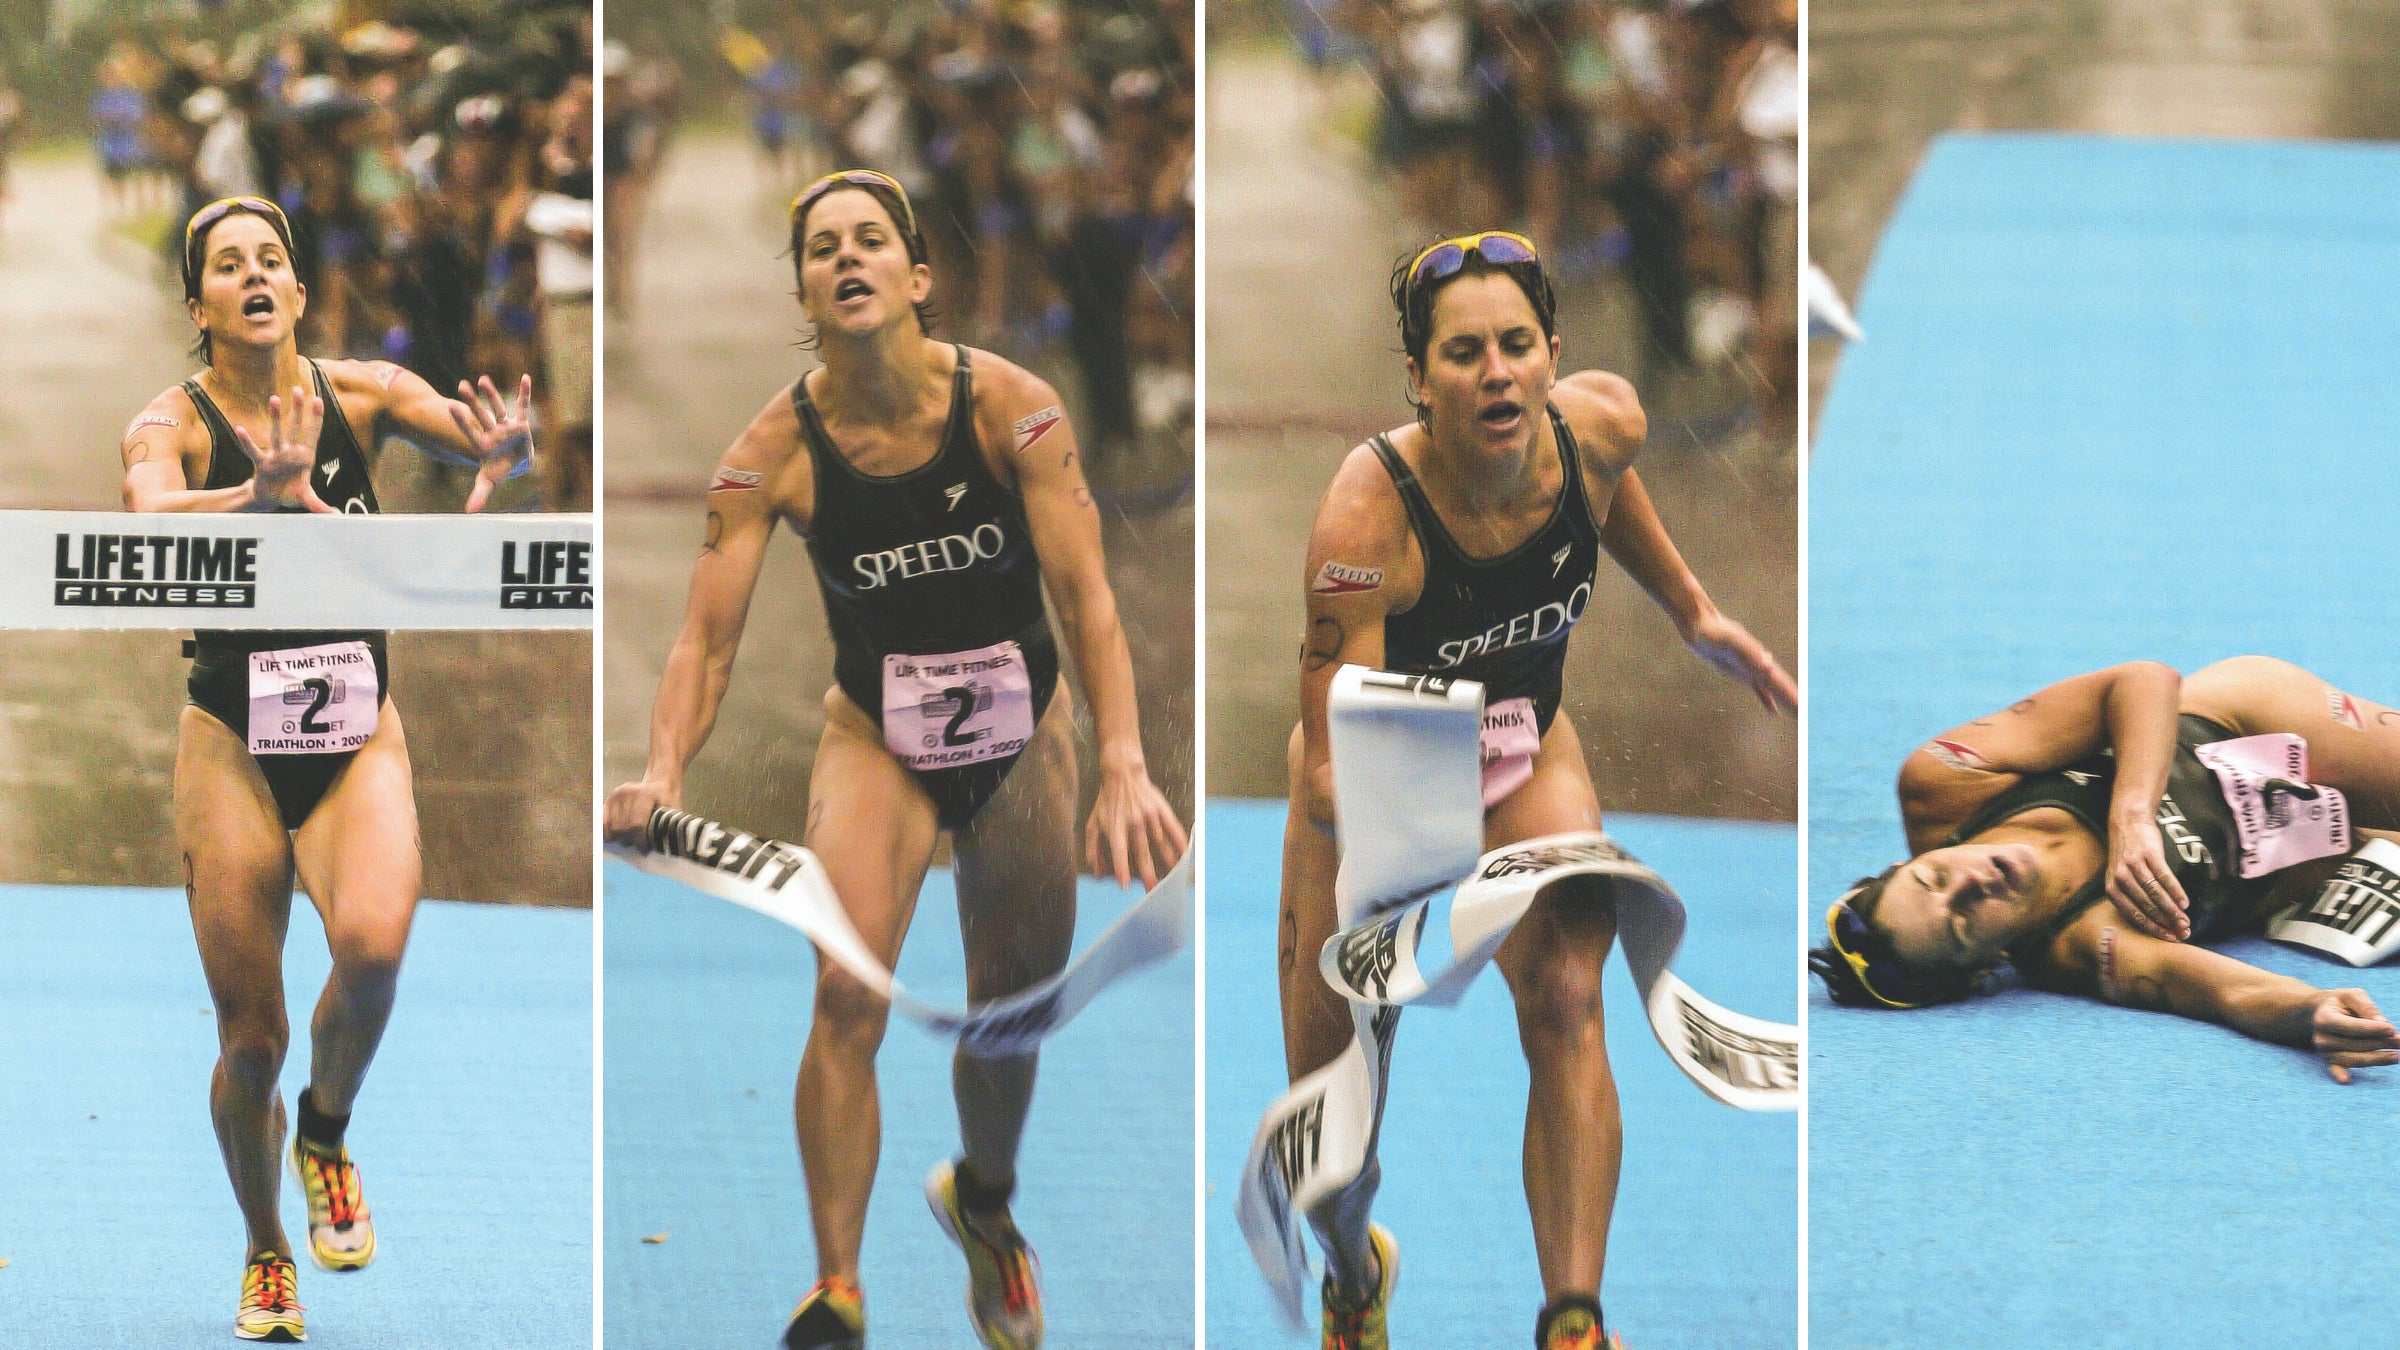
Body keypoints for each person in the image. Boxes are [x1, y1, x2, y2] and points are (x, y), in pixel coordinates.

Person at [601, 169, 1187, 1350]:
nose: (848, 258)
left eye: (872, 240)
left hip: (1024, 738)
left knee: (1005, 1018)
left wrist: (1124, 758)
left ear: (920, 277)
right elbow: (706, 640)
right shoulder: (771, 451)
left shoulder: (1011, 407)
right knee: (846, 988)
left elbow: (1087, 596)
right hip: (877, 741)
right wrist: (662, 770)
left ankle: (984, 1203)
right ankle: (837, 1291)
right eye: (823, 248)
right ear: (807, 289)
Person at [1279, 230, 1796, 1350]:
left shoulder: (1600, 423)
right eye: (1463, 353)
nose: (1496, 370)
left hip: (1523, 749)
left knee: (1567, 997)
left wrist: (1695, 608)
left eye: (1517, 344)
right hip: (1373, 792)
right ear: (1419, 380)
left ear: (1553, 356)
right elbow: (1327, 775)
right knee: (1334, 1142)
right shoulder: (1365, 523)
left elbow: (1607, 492)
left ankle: (1573, 1321)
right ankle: (1352, 1273)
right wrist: (1433, 858)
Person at [122, 195, 532, 1342]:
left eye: (273, 260)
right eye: (227, 265)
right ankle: (264, 1253)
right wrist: (246, 501)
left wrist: (499, 450)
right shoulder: (173, 420)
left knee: (375, 951)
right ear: (199, 305)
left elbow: (461, 429)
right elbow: (149, 518)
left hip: (355, 726)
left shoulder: (364, 393)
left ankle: (328, 1129)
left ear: (300, 291)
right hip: (233, 740)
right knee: (248, 1038)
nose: (254, 276)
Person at [1811, 657, 2400, 1079]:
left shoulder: (1944, 784)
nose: (1971, 883)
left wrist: (2132, 816)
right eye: (1964, 921)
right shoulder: (2079, 943)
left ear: (1907, 860)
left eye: (1933, 877)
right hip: (2320, 861)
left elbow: (2144, 679)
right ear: (1989, 965)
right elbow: (2217, 991)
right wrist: (2309, 1013)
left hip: (2244, 721)